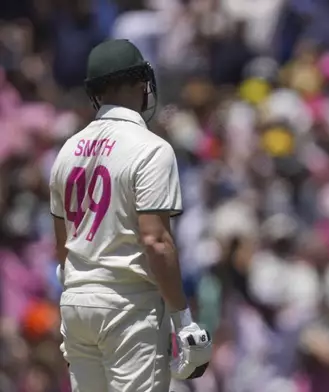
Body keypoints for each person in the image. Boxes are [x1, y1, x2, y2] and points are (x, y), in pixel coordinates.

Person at [49, 39, 212, 392]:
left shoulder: (67, 150)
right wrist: (183, 320)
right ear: (142, 85)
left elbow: (62, 248)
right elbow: (156, 241)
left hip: (77, 303)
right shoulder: (151, 148)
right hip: (128, 306)